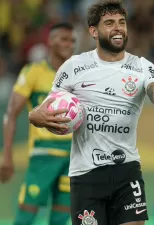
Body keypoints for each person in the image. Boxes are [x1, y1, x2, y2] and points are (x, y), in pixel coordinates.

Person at [28, 1, 154, 225]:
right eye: (109, 23)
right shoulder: (74, 66)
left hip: (127, 171)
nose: (118, 28)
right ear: (93, 31)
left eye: (122, 22)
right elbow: (44, 107)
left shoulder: (143, 67)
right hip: (86, 174)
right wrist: (35, 116)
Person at [0, 22, 76, 225]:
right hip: (44, 154)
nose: (69, 44)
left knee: (61, 216)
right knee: (26, 215)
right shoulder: (33, 72)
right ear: (50, 41)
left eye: (72, 40)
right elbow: (11, 114)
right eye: (64, 39)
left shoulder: (80, 77)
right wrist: (6, 155)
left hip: (74, 156)